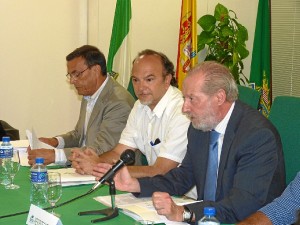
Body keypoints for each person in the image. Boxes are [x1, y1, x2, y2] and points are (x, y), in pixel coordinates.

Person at [92, 61, 286, 224]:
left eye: (192, 99)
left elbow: (242, 206)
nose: (185, 108)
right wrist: (136, 185)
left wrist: (185, 213)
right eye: (185, 98)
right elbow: (183, 177)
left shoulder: (257, 136)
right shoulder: (200, 126)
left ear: (219, 97)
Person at [72, 49, 190, 179]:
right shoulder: (140, 106)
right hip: (160, 187)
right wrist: (92, 162)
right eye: (135, 80)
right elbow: (118, 152)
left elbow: (161, 170)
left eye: (149, 79)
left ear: (167, 80)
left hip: (186, 195)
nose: (141, 87)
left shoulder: (182, 111)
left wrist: (101, 169)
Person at [27, 45, 135, 165]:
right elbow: (79, 135)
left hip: (115, 174)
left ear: (96, 70)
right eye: (70, 75)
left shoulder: (118, 102)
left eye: (77, 74)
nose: (72, 81)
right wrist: (55, 142)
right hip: (85, 167)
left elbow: (102, 148)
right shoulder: (89, 92)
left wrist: (55, 155)